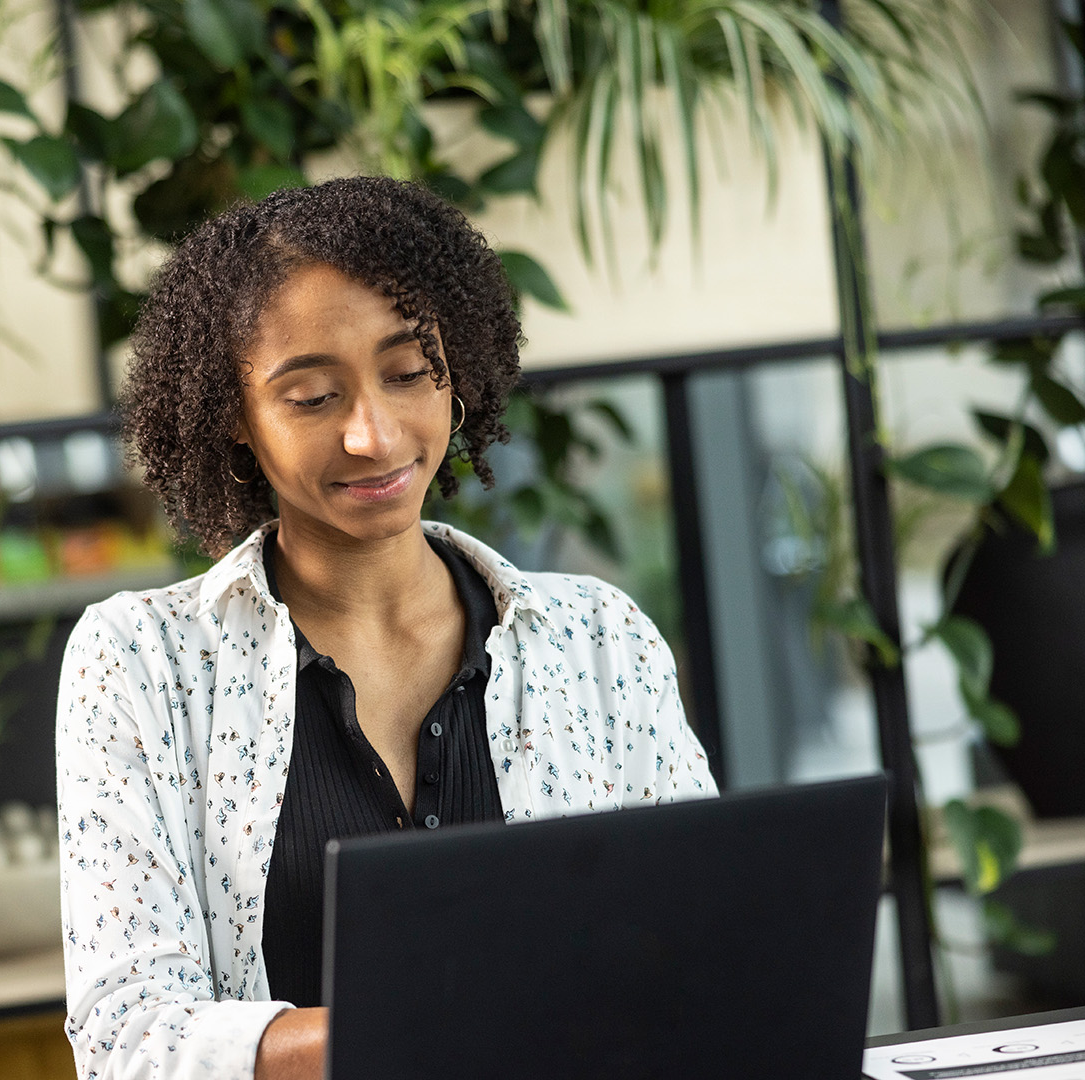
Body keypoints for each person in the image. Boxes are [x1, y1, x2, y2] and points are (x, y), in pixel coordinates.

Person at [55, 176, 716, 1080]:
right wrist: (436, 1023)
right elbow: (128, 1039)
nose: (373, 433)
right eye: (312, 398)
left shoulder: (599, 639)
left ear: (459, 371)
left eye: (407, 374)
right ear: (235, 421)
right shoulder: (141, 661)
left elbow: (705, 947)